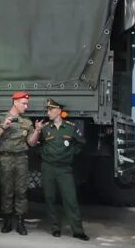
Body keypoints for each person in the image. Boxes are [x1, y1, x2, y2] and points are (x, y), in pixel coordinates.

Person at [28, 99, 89, 240]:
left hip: (64, 168)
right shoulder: (45, 128)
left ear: (59, 111)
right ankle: (55, 227)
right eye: (47, 110)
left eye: (51, 109)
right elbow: (34, 144)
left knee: (70, 199)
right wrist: (43, 151)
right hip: (48, 167)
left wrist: (71, 153)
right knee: (49, 198)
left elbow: (80, 143)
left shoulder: (70, 127)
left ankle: (78, 230)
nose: (48, 112)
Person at [0, 91, 34, 235]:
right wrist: (3, 127)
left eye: (27, 104)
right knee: (6, 190)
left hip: (21, 158)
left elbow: (31, 142)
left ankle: (20, 222)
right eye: (24, 103)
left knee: (21, 190)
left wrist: (37, 131)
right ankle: (7, 221)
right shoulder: (1, 118)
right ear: (15, 102)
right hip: (6, 158)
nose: (26, 106)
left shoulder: (27, 122)